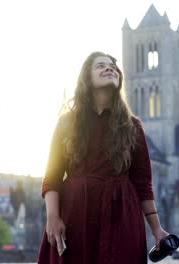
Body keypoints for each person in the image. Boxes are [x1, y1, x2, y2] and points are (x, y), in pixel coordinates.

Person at [38, 51, 169, 264]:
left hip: (121, 217)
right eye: (100, 65)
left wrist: (157, 230)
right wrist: (52, 217)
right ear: (86, 78)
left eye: (113, 67)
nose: (110, 68)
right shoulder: (66, 123)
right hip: (75, 214)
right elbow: (52, 176)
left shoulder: (132, 126)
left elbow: (143, 184)